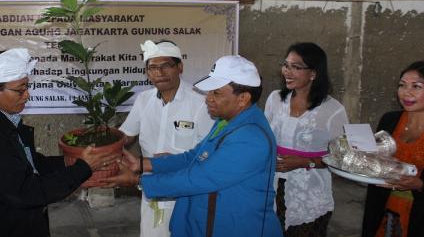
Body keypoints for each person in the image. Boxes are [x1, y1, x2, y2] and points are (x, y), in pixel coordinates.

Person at [103, 55, 283, 237]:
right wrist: (143, 165)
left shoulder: (250, 137)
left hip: (234, 226)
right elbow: (195, 157)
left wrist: (138, 180)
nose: (208, 99)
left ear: (243, 98)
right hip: (208, 221)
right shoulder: (226, 122)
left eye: (216, 93)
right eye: (209, 92)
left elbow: (199, 178)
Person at [0, 48, 119, 237]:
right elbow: (25, 191)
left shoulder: (2, 121)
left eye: (27, 87)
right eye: (20, 90)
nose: (27, 95)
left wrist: (69, 162)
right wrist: (82, 168)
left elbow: (30, 163)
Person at [119, 40, 214, 237]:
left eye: (166, 66)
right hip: (150, 189)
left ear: (180, 67)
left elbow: (209, 151)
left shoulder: (201, 103)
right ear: (147, 72)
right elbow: (126, 136)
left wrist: (174, 161)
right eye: (152, 67)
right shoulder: (143, 100)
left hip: (185, 192)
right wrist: (101, 142)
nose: (159, 73)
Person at [264, 42, 348, 237]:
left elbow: (343, 158)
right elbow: (265, 140)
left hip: (310, 193)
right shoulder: (275, 99)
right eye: (286, 65)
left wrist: (305, 162)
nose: (287, 71)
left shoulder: (333, 110)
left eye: (296, 67)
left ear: (314, 73)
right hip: (272, 187)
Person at [361, 61, 424, 237]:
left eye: (416, 86)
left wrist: (419, 184)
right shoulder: (390, 120)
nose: (406, 92)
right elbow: (376, 160)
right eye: (402, 85)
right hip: (383, 208)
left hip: (417, 216)